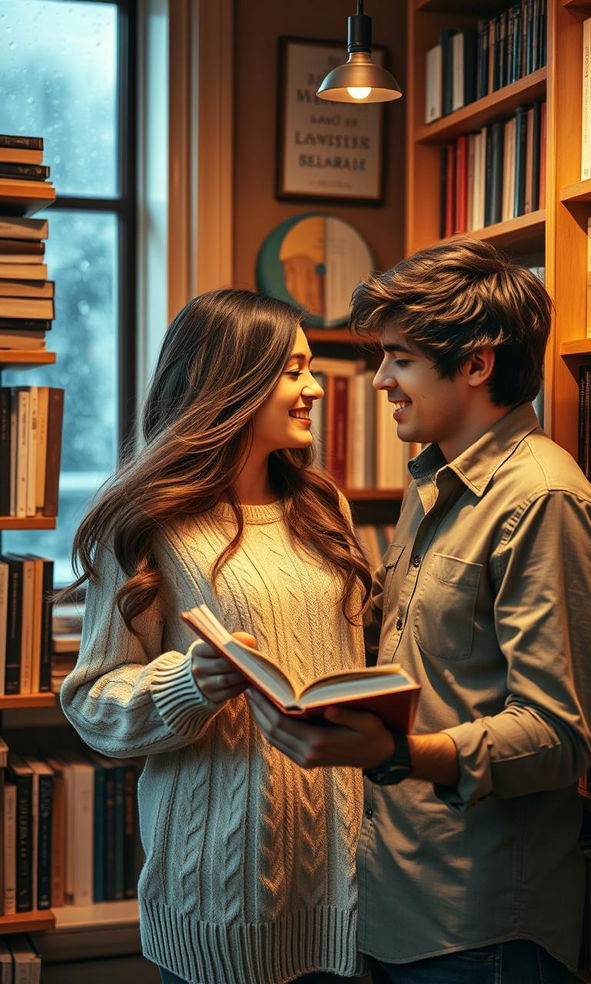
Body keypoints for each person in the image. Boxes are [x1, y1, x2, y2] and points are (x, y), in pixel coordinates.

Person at [247, 239, 591, 984]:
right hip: (397, 897)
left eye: (400, 359)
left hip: (479, 925)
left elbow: (557, 734)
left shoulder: (541, 502)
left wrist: (392, 754)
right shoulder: (439, 481)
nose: (380, 379)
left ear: (477, 364)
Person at [60, 288, 373, 984]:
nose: (315, 389)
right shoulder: (142, 522)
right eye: (293, 371)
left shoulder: (324, 509)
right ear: (233, 381)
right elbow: (91, 704)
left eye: (309, 369)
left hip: (348, 888)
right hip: (219, 900)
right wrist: (188, 682)